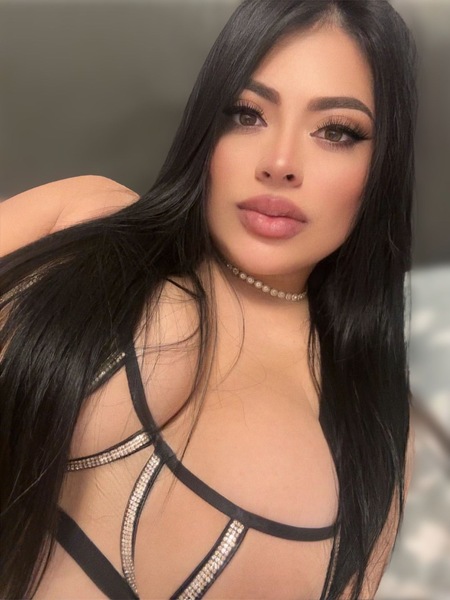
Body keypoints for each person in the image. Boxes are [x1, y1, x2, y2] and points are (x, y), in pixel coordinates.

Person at [0, 0, 418, 598]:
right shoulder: (81, 215)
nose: (280, 164)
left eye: (336, 132)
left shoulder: (375, 425)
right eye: (248, 114)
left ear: (382, 166)